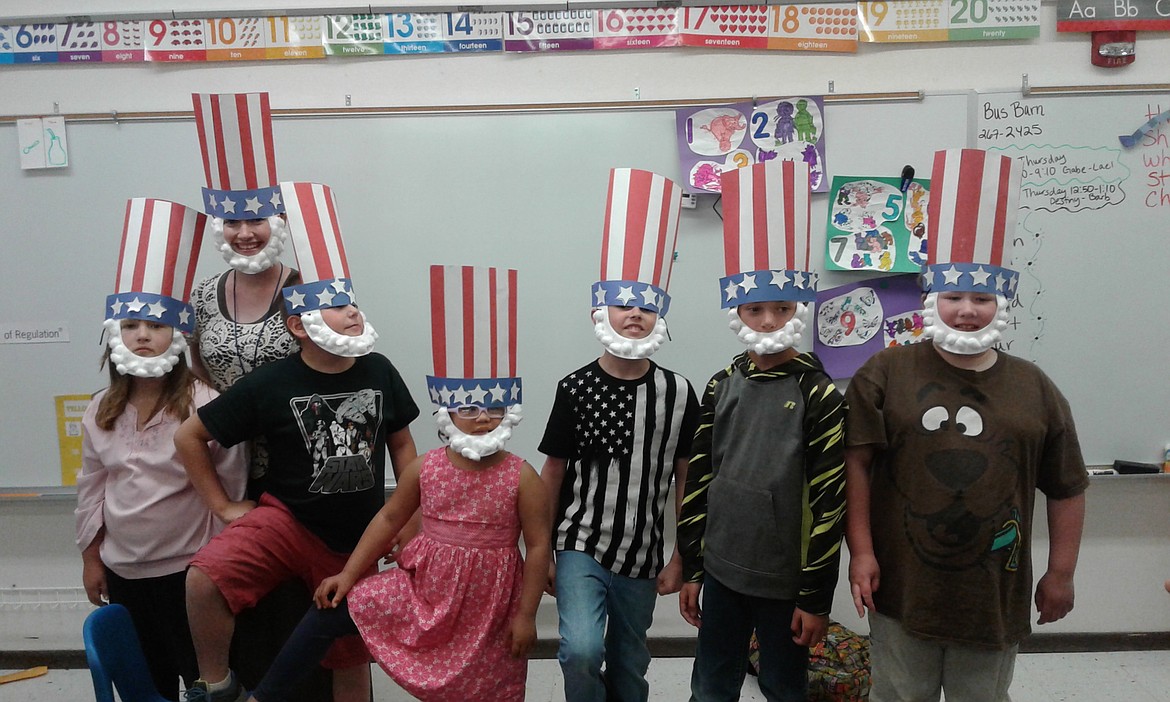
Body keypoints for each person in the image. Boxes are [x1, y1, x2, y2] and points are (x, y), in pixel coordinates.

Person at [844, 148, 1088, 702]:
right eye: (953, 296)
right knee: (899, 694)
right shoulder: (884, 372)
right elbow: (854, 466)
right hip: (902, 588)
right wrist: (860, 551)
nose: (967, 311)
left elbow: (1069, 486)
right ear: (932, 298)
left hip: (992, 596)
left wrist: (1062, 572)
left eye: (982, 297)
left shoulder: (1035, 387)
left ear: (1003, 302)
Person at [247, 264, 550, 702]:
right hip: (425, 591)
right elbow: (390, 517)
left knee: (487, 682)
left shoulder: (522, 476)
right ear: (447, 412)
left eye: (495, 407)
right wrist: (348, 576)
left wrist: (527, 614)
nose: (483, 418)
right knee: (332, 609)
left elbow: (538, 545)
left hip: (490, 605)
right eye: (469, 408)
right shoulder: (423, 468)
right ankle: (265, 695)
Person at [176, 182, 419, 702]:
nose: (352, 313)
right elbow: (190, 434)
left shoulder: (378, 369)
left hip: (358, 537)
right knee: (204, 579)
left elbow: (403, 448)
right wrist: (220, 504)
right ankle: (217, 685)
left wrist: (408, 516)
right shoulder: (271, 383)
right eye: (335, 307)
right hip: (284, 519)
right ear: (298, 324)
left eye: (352, 303)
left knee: (349, 659)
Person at [676, 160, 846, 702]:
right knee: (712, 682)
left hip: (784, 581)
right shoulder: (720, 384)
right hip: (722, 572)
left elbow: (830, 500)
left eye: (781, 309)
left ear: (798, 309)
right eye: (755, 309)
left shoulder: (818, 393)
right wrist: (693, 566)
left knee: (783, 685)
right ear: (737, 311)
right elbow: (700, 478)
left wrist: (816, 597)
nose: (768, 322)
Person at [540, 168, 700, 702]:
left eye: (647, 305)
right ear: (600, 309)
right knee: (582, 650)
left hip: (646, 549)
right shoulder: (575, 387)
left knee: (631, 662)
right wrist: (538, 550)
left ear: (661, 316)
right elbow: (553, 471)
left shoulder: (679, 392)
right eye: (624, 303)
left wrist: (683, 555)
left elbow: (685, 476)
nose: (635, 314)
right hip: (579, 543)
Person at [77, 198, 247, 700]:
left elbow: (229, 485)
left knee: (201, 679)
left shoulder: (205, 404)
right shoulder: (99, 409)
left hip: (189, 572)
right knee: (146, 684)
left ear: (177, 335)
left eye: (155, 326)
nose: (143, 336)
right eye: (131, 326)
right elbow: (91, 489)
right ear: (114, 336)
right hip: (124, 571)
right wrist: (92, 559)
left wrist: (216, 568)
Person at [188, 91, 321, 700]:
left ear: (277, 222)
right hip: (225, 472)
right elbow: (197, 374)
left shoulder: (308, 291)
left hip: (295, 479)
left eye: (256, 220)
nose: (245, 233)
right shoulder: (203, 296)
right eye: (233, 222)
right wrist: (219, 499)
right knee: (235, 602)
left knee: (300, 614)